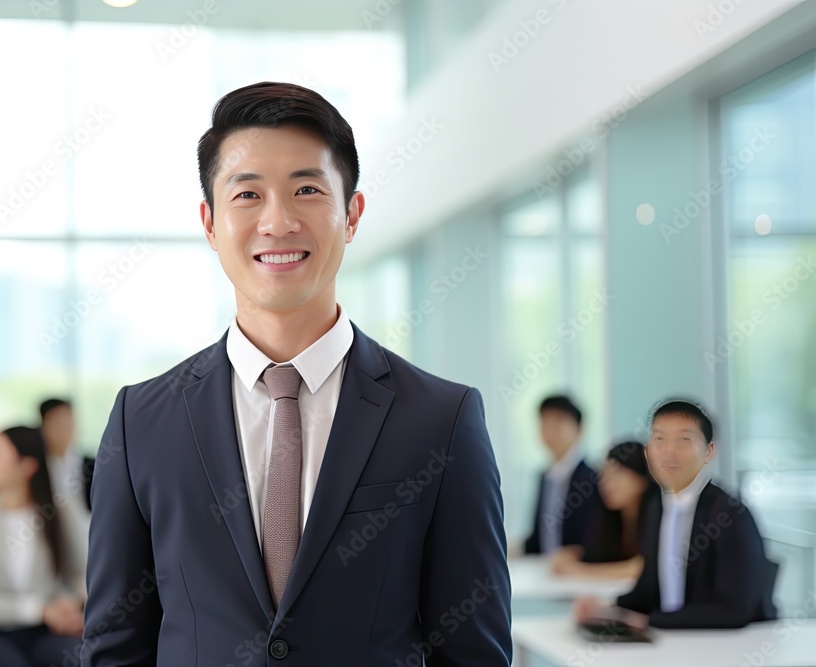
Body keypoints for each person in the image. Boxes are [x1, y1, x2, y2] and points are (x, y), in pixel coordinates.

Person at [81, 82, 511, 666]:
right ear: (209, 223)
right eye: (247, 195)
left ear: (352, 214)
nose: (277, 222)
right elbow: (114, 647)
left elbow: (472, 653)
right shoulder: (142, 422)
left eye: (307, 189)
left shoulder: (441, 418)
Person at [573, 400, 778, 629]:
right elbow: (649, 590)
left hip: (729, 649)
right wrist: (606, 607)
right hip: (675, 642)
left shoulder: (730, 514)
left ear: (709, 451)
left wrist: (652, 621)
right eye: (659, 439)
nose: (669, 451)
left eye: (684, 440)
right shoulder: (656, 507)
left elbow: (734, 610)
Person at [0, 426, 87, 667]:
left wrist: (71, 604)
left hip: (47, 631)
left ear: (26, 466)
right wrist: (42, 610)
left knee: (82, 659)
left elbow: (82, 574)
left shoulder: (60, 511)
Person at [551, 441, 657, 579]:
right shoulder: (611, 519)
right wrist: (577, 554)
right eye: (604, 475)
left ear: (642, 478)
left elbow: (640, 568)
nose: (607, 484)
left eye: (617, 474)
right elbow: (597, 552)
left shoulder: (657, 516)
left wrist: (579, 570)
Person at [524, 395, 602, 555]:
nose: (550, 432)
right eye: (545, 424)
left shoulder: (594, 477)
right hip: (546, 572)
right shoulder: (544, 476)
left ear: (578, 429)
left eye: (558, 424)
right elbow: (538, 537)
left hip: (580, 573)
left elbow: (600, 537)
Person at [39, 398, 94, 513]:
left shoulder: (93, 465)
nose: (63, 429)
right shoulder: (36, 466)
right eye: (57, 423)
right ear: (43, 426)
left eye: (68, 422)